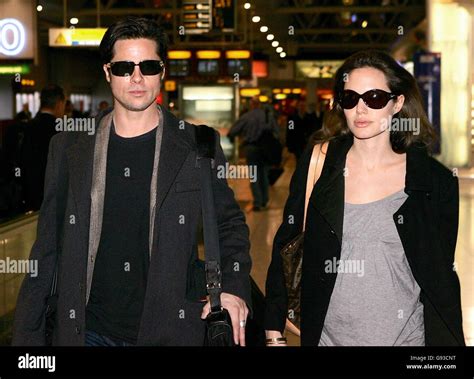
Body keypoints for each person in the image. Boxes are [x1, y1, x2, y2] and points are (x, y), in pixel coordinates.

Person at [12, 17, 251, 346]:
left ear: (162, 71)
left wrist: (234, 289)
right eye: (124, 67)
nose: (137, 78)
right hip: (86, 331)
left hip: (170, 329)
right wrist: (27, 341)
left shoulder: (198, 146)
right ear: (108, 73)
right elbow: (47, 248)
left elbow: (230, 226)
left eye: (148, 66)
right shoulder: (69, 147)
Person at [264, 50, 465, 346]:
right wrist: (272, 328)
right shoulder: (320, 164)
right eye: (350, 98)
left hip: (407, 340)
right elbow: (288, 241)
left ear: (397, 103)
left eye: (373, 98)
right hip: (328, 339)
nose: (360, 109)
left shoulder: (433, 181)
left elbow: (440, 276)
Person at [21, 85, 66, 211]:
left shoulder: (25, 127)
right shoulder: (62, 131)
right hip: (52, 198)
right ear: (59, 103)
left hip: (27, 197)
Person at [228, 97, 277, 211]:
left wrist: (235, 138)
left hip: (251, 148)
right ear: (259, 105)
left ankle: (257, 202)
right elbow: (276, 132)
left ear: (251, 105)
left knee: (254, 175)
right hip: (266, 149)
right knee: (264, 173)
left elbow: (234, 130)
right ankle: (265, 200)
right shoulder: (267, 116)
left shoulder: (247, 116)